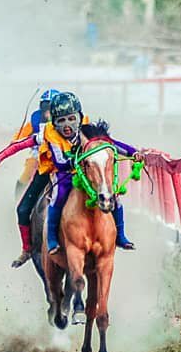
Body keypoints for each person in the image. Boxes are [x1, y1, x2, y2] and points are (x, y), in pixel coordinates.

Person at [39, 92, 140, 256]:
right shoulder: (51, 135)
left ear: (79, 118)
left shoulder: (86, 132)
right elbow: (60, 162)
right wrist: (77, 161)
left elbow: (111, 144)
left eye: (71, 119)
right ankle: (51, 237)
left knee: (113, 195)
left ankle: (120, 235)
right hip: (65, 174)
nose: (67, 125)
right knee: (58, 195)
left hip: (88, 171)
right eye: (61, 121)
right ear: (54, 123)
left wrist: (133, 152)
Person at [0, 89, 63, 267]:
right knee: (23, 207)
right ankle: (27, 249)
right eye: (45, 108)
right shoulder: (40, 129)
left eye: (51, 108)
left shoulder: (76, 127)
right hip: (43, 166)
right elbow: (18, 143)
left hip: (70, 173)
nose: (47, 112)